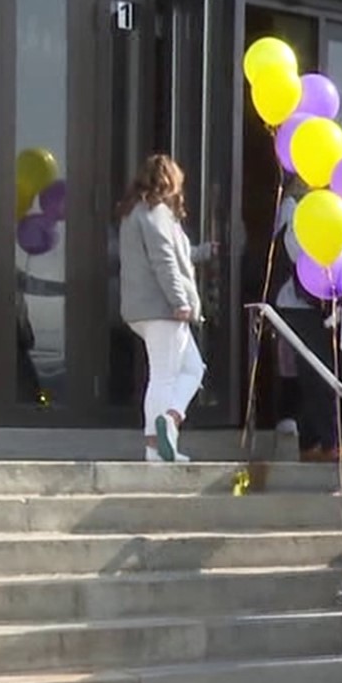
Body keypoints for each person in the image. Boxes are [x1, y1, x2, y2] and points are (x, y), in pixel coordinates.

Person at [116, 154, 212, 463]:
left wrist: (206, 252)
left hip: (142, 309)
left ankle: (164, 429)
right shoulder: (156, 213)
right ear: (170, 181)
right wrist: (180, 301)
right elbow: (164, 261)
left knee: (193, 369)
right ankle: (161, 437)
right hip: (162, 309)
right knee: (164, 376)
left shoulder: (134, 213)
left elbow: (176, 256)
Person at [273, 185, 342, 463]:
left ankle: (312, 442)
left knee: (324, 367)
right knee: (319, 371)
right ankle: (328, 442)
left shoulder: (332, 205)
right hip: (299, 302)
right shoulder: (293, 206)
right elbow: (293, 250)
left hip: (325, 300)